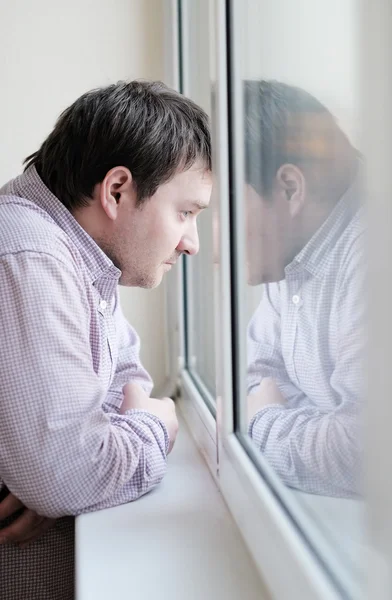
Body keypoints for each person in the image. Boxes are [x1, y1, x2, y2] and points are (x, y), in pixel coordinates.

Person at [0, 80, 212, 599]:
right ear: (116, 190)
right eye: (185, 212)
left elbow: (127, 373)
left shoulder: (79, 256)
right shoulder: (30, 259)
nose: (192, 243)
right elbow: (65, 474)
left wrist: (68, 476)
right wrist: (154, 425)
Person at [244, 80, 364, 498]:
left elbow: (361, 453)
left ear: (291, 189)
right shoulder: (291, 255)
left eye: (218, 211)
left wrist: (262, 425)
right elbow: (259, 376)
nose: (208, 247)